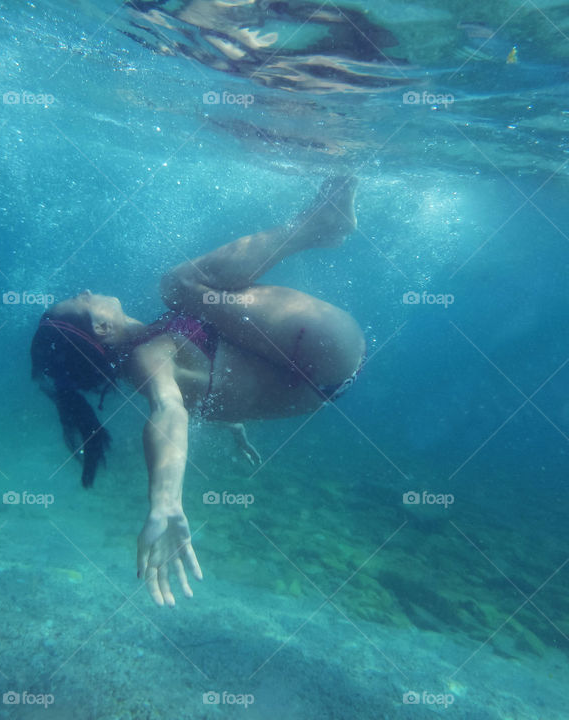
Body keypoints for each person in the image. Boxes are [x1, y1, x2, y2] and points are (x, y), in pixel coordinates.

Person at [30, 177, 366, 606]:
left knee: (185, 300)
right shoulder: (147, 355)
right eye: (80, 302)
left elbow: (212, 387)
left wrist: (234, 426)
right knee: (176, 287)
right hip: (328, 351)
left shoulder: (148, 359)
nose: (85, 291)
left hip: (323, 380)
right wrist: (164, 501)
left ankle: (321, 224)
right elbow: (170, 411)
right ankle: (319, 225)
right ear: (101, 328)